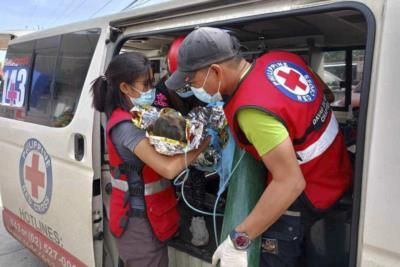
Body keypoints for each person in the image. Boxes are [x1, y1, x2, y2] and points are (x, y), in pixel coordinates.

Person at [166, 27, 353, 267]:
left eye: (192, 80)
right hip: (338, 169)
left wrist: (239, 239)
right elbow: (325, 96)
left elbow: (290, 183)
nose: (192, 87)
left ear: (215, 70)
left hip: (309, 193)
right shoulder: (281, 59)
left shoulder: (252, 110)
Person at [91, 52, 208, 267]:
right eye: (145, 84)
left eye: (152, 82)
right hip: (137, 223)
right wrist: (203, 144)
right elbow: (168, 170)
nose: (151, 90)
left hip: (153, 215)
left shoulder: (141, 114)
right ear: (125, 88)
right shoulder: (125, 126)